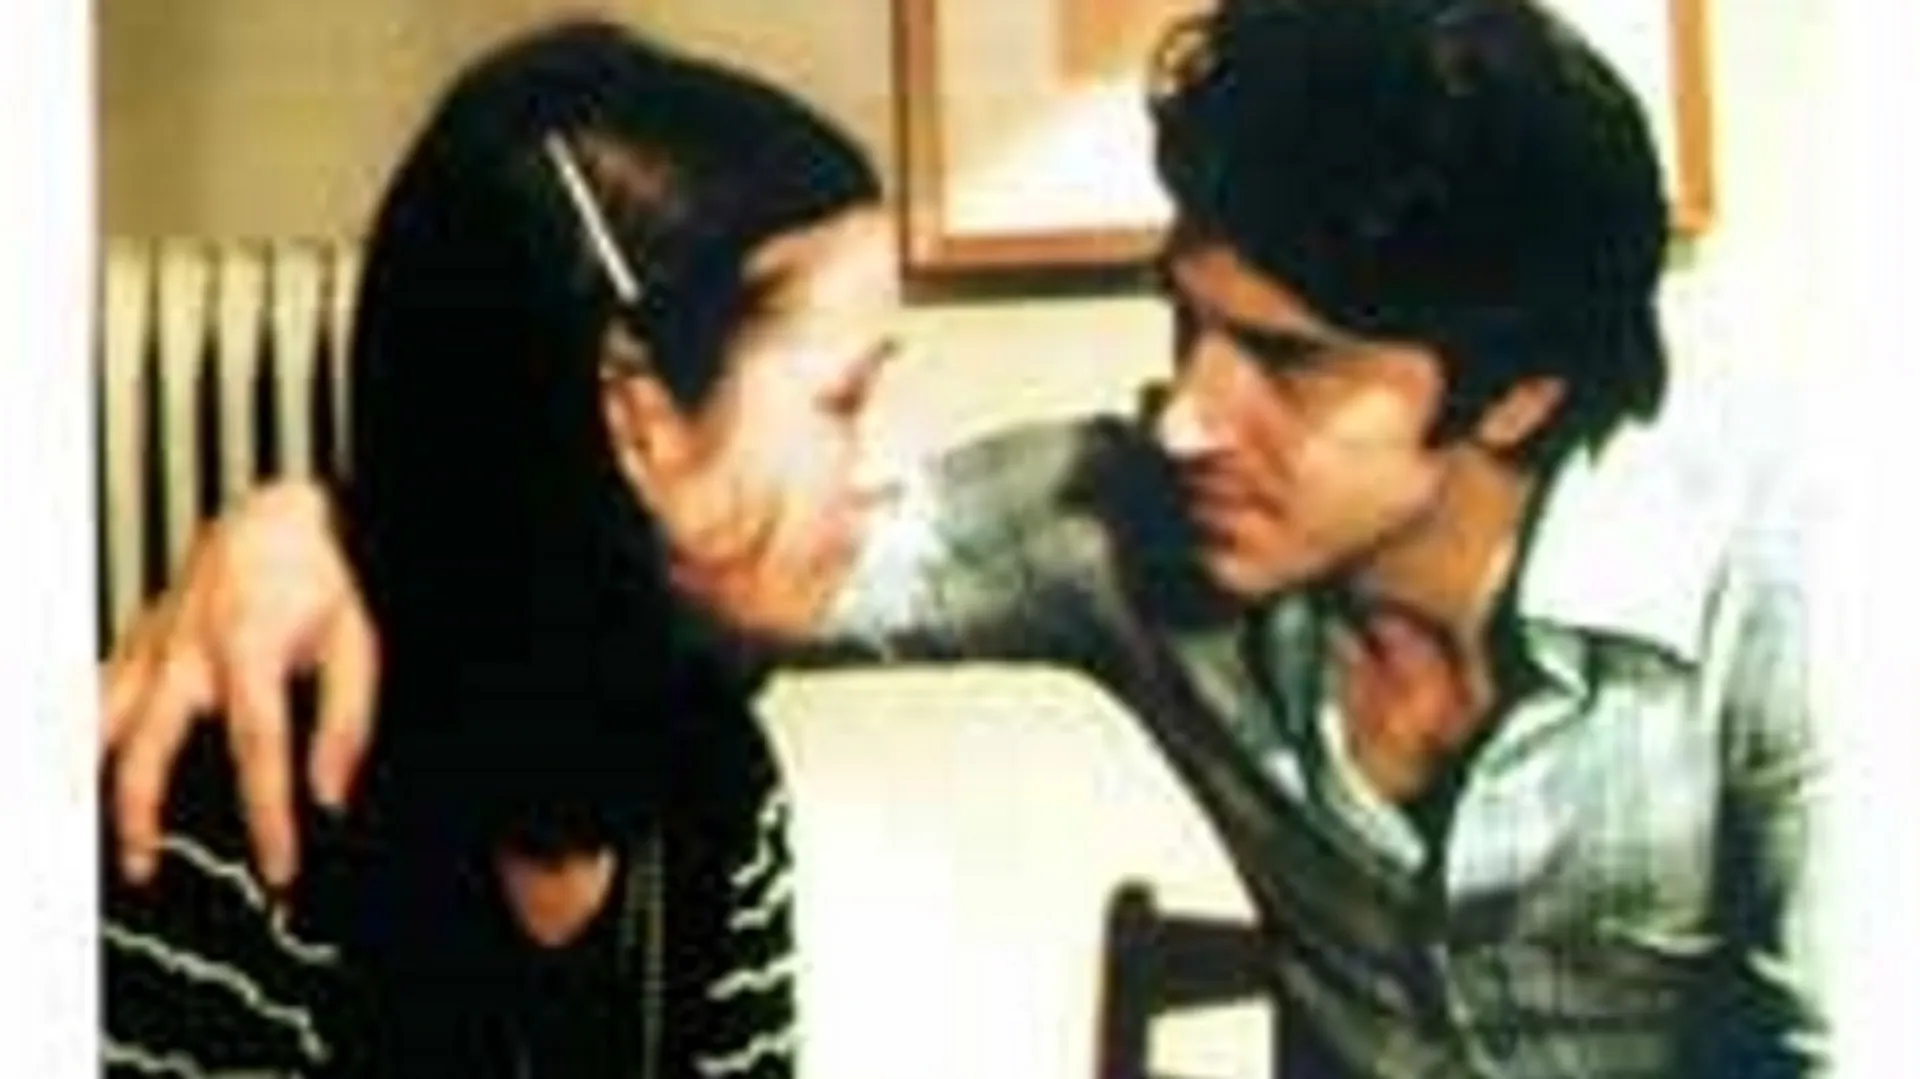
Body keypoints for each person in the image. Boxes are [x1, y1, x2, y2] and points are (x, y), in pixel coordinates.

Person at [102, 1, 1822, 1074]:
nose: (1185, 415)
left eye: (1291, 360)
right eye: (1188, 321)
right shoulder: (1131, 530)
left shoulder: (1797, 601)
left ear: (1516, 394)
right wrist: (319, 523)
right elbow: (703, 549)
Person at [101, 19, 898, 1077]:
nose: (881, 469)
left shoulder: (719, 785)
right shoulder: (234, 823)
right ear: (636, 417)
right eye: (843, 400)